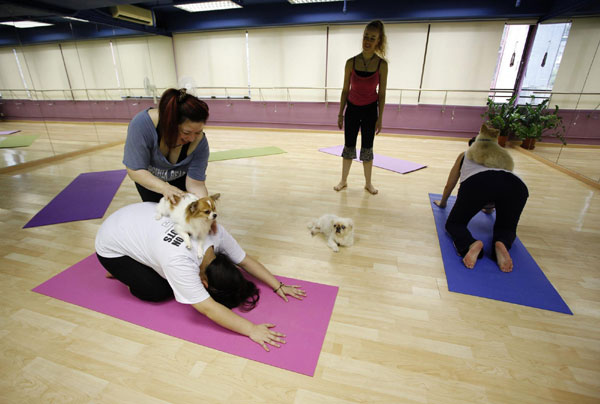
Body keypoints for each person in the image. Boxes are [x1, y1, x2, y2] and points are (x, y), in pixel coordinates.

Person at [95, 202, 306, 351]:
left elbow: (244, 260)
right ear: (203, 282)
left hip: (136, 217)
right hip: (111, 246)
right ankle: (121, 272)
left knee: (171, 280)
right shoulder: (179, 262)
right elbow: (207, 308)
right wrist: (251, 329)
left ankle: (138, 261)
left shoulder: (215, 233)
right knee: (159, 291)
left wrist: (278, 286)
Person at [433, 136, 528, 273]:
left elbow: (450, 184)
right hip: (516, 186)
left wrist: (442, 203)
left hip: (479, 183)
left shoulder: (465, 155)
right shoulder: (500, 155)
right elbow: (498, 186)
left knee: (455, 224)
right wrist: (488, 210)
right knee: (507, 228)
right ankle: (501, 243)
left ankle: (470, 243)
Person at [124, 88, 210, 203]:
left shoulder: (200, 143)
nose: (192, 138)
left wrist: (205, 207)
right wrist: (165, 188)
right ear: (169, 125)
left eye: (198, 132)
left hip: (181, 179)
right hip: (149, 178)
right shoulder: (141, 125)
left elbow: (196, 185)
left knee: (184, 209)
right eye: (186, 133)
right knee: (156, 211)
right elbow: (135, 170)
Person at [335, 20, 388, 195]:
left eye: (372, 38)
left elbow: (382, 94)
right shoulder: (351, 62)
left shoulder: (382, 65)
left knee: (367, 147)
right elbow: (345, 90)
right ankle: (343, 180)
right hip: (352, 109)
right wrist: (340, 113)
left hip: (370, 111)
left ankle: (368, 183)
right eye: (366, 36)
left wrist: (380, 118)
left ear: (378, 41)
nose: (367, 41)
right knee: (348, 145)